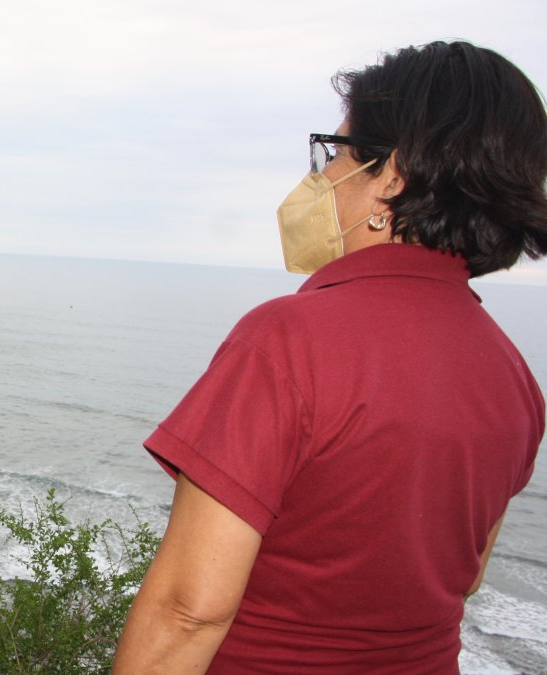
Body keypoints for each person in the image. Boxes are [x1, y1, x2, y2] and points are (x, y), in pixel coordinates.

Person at [113, 41, 547, 674]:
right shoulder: (512, 374)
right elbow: (467, 574)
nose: (320, 176)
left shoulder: (287, 341)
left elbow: (189, 609)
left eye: (336, 153)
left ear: (391, 178)